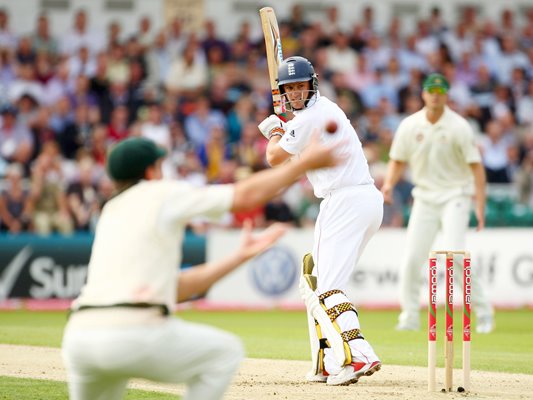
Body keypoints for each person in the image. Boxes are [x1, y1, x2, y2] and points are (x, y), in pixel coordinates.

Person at [61, 135, 341, 400]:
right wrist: (304, 163)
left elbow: (177, 289)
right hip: (132, 332)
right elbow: (244, 196)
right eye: (160, 165)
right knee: (224, 353)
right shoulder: (160, 193)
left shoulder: (111, 210)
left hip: (79, 338)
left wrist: (239, 256)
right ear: (150, 172)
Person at [258, 56, 383, 386]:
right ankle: (327, 361)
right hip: (360, 199)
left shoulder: (313, 114)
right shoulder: (319, 112)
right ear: (283, 92)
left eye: (300, 86)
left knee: (327, 288)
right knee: (312, 281)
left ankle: (359, 354)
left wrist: (273, 131)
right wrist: (285, 130)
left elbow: (274, 158)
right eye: (290, 89)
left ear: (311, 84)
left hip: (344, 200)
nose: (296, 93)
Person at [380, 73, 495, 334]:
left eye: (440, 91)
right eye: (431, 90)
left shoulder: (459, 127)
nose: (435, 95)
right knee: (411, 259)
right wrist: (388, 184)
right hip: (425, 197)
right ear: (423, 94)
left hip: (456, 195)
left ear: (447, 95)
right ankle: (409, 316)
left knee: (454, 255)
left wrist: (479, 205)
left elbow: (476, 169)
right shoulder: (410, 125)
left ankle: (484, 310)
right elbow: (397, 160)